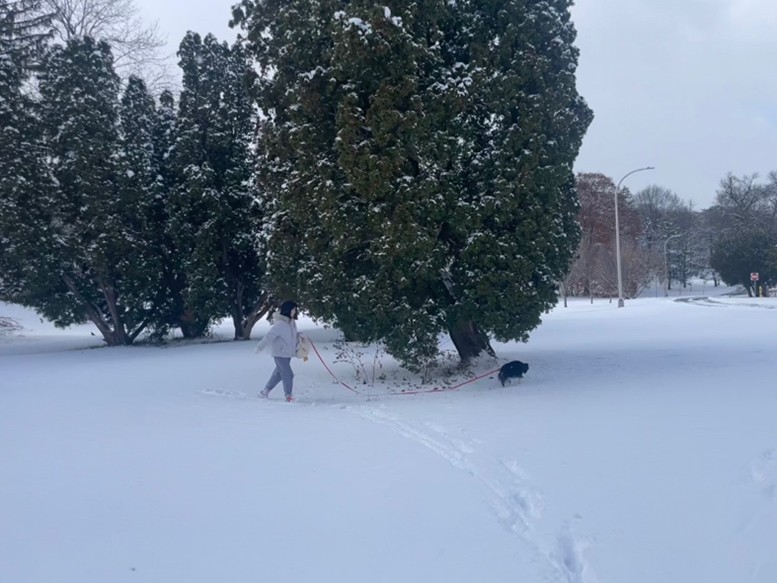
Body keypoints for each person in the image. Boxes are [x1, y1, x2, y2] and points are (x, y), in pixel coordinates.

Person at [255, 300, 303, 402]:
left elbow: (291, 336)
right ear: (288, 310)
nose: (295, 311)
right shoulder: (280, 324)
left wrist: (301, 336)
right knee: (288, 374)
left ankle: (264, 392)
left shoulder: (292, 323)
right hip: (279, 353)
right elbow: (269, 337)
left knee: (279, 374)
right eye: (294, 309)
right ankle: (288, 396)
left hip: (287, 353)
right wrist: (259, 347)